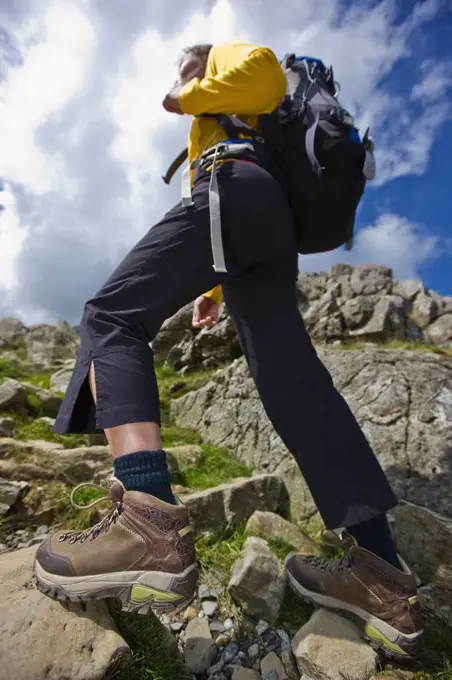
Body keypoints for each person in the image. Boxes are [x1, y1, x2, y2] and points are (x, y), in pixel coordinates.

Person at [33, 42, 423, 657]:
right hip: (264, 228)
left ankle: (146, 519)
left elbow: (264, 75)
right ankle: (382, 575)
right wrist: (214, 290)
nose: (185, 72)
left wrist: (190, 84)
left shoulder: (227, 65)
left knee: (111, 316)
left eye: (188, 61)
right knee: (294, 386)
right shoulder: (245, 122)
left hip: (234, 189)